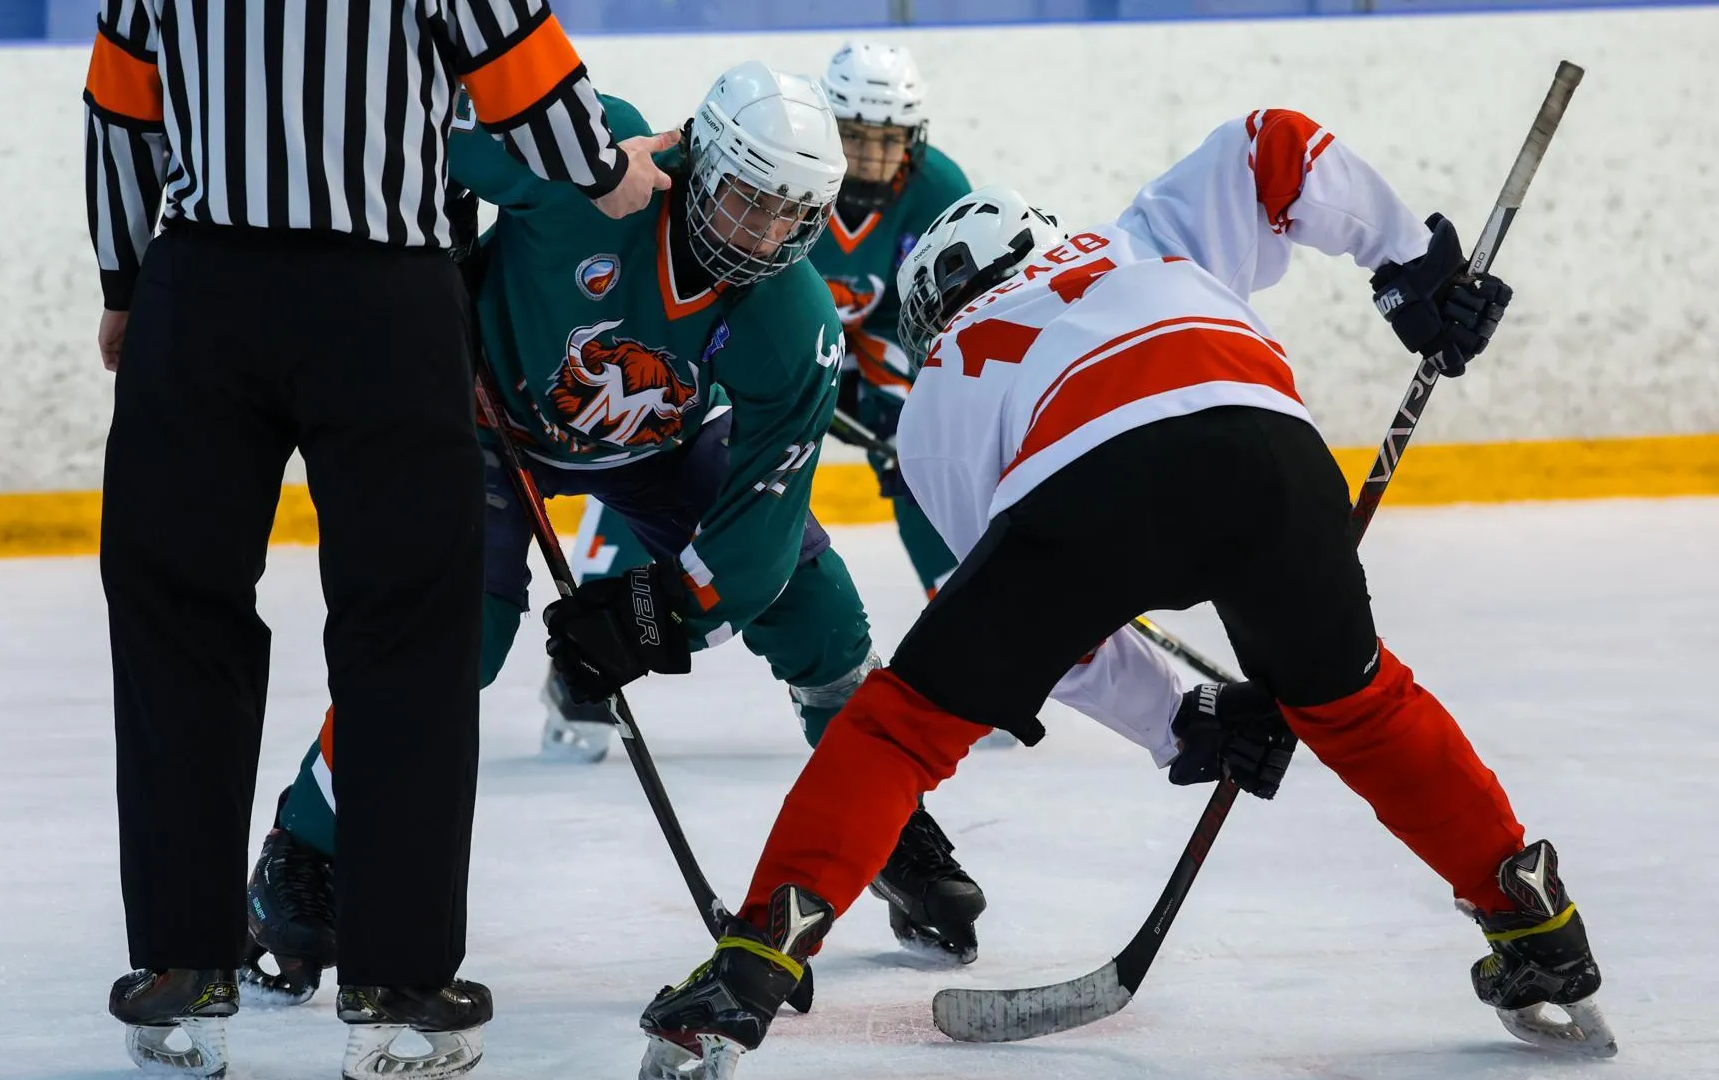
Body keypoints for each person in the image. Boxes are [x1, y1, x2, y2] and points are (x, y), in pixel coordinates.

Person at [637, 110, 1609, 1077]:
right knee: (1360, 705)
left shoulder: (938, 391)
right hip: (1272, 451)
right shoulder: (1143, 240)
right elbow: (1275, 145)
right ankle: (1534, 923)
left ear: (934, 311)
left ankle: (755, 963)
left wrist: (1180, 720)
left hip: (1087, 488)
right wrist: (1409, 261)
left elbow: (1053, 634)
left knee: (901, 729)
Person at [243, 61, 990, 1011]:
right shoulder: (596, 159)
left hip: (657, 445)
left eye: (790, 217)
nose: (762, 237)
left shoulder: (794, 319)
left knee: (820, 609)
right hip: (482, 422)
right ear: (699, 158)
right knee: (453, 633)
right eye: (748, 201)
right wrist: (420, 251)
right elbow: (414, 134)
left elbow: (760, 527)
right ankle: (304, 848)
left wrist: (659, 613)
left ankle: (883, 823)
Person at [84, 0, 668, 1076]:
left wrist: (124, 281)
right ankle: (398, 983)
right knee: (409, 627)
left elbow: (122, 109)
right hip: (383, 297)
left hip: (202, 292)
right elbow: (517, 64)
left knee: (176, 613)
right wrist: (605, 171)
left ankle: (181, 967)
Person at [537, 41, 977, 768]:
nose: (872, 157)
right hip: (720, 361)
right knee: (652, 452)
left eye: (889, 139)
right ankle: (586, 660)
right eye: (858, 136)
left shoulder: (935, 192)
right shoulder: (773, 182)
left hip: (845, 356)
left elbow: (921, 313)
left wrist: (901, 403)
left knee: (916, 471)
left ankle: (966, 646)